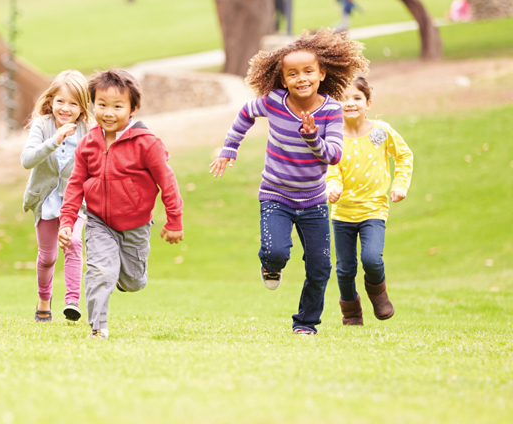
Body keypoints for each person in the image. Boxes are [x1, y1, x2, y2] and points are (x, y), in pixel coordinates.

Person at [210, 28, 368, 335]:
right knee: (276, 252)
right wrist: (230, 147)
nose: (301, 78)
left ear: (322, 73)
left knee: (320, 267)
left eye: (308, 71)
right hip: (275, 195)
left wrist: (312, 140)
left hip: (314, 202)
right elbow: (245, 113)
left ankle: (306, 323)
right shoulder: (273, 102)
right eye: (292, 74)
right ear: (283, 80)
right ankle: (270, 264)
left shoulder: (332, 112)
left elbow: (334, 155)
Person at [58, 70, 185, 339]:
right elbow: (74, 186)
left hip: (135, 224)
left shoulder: (147, 144)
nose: (108, 112)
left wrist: (174, 220)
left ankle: (123, 274)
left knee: (133, 281)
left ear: (133, 108)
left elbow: (168, 182)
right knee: (101, 272)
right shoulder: (87, 144)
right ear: (92, 105)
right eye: (102, 104)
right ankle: (98, 328)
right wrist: (67, 222)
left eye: (118, 106)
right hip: (98, 222)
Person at [327, 77, 412, 326]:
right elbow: (330, 169)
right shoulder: (333, 138)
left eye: (356, 98)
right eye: (343, 98)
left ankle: (378, 294)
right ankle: (351, 311)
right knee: (344, 269)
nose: (350, 103)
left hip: (373, 210)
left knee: (372, 259)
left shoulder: (380, 131)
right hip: (342, 214)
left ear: (368, 103)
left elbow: (404, 155)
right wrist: (332, 187)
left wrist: (399, 185)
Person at [21, 70, 92, 323]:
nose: (66, 108)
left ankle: (72, 302)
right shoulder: (42, 125)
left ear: (82, 108)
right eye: (61, 101)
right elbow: (27, 161)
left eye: (73, 103)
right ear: (51, 100)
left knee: (73, 242)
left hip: (76, 201)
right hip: (44, 199)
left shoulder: (88, 131)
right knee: (48, 256)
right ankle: (43, 298)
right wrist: (55, 139)